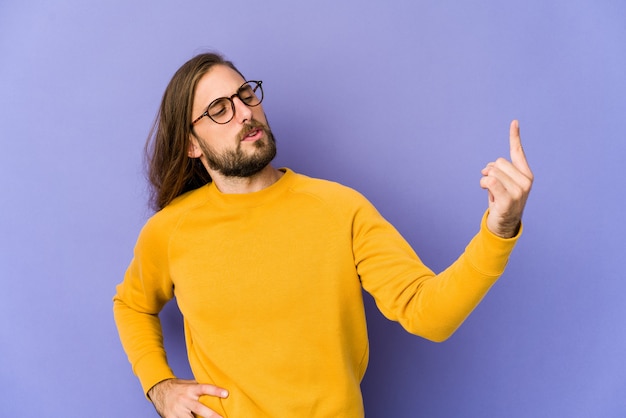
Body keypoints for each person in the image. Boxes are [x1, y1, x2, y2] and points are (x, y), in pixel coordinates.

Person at [113, 52, 533, 418]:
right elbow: (132, 304)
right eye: (220, 109)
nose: (244, 113)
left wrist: (499, 229)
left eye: (245, 95)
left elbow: (430, 314)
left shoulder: (339, 208)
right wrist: (159, 386)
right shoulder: (170, 230)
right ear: (191, 145)